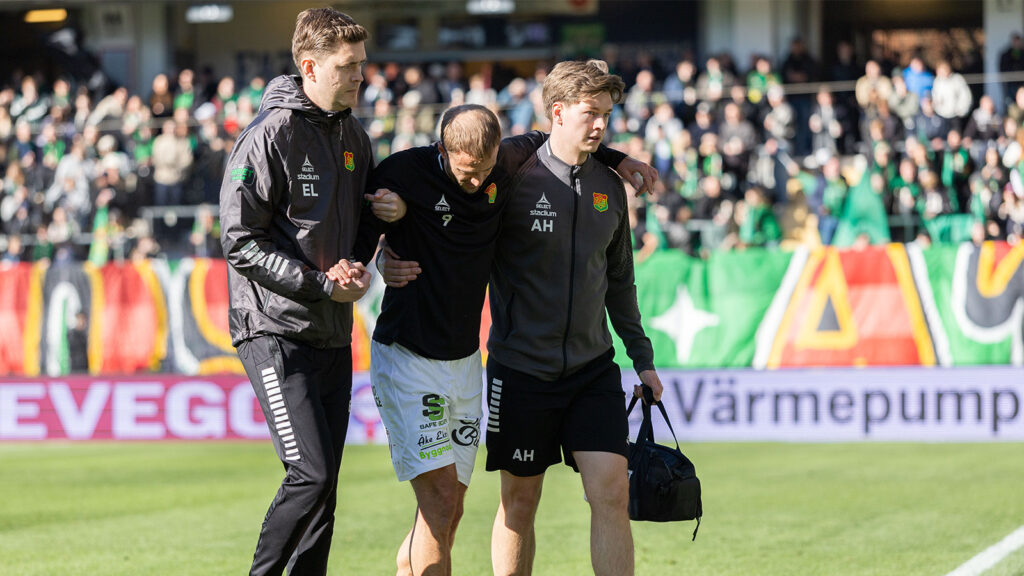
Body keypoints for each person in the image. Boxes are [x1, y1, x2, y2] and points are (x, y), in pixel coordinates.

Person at [364, 103, 656, 576]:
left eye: (484, 172)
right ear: (442, 150)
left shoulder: (515, 160)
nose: (477, 184)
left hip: (468, 363)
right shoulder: (404, 171)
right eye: (465, 173)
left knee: (450, 508)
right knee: (448, 503)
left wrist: (617, 159)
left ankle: (409, 566)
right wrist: (383, 250)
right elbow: (361, 233)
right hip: (422, 357)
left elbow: (561, 139)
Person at [218, 8, 399, 576]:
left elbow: (358, 231)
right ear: (310, 66)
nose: (359, 76)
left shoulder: (353, 134)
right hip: (271, 329)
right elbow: (239, 239)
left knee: (325, 492)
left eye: (362, 65)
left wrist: (380, 224)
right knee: (310, 475)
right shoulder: (269, 134)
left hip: (331, 332)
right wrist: (320, 283)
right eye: (348, 67)